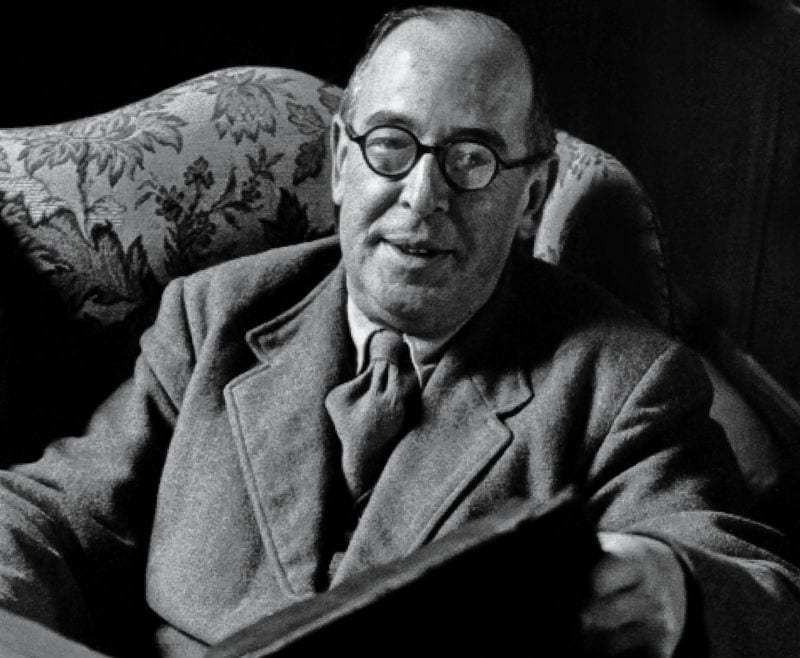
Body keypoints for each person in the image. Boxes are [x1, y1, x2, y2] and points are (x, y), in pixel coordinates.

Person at [0, 6, 798, 658]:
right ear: (340, 162)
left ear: (531, 196)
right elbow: (52, 511)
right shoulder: (212, 315)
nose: (422, 196)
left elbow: (763, 596)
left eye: (472, 158)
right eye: (390, 145)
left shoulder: (624, 381)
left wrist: (676, 586)